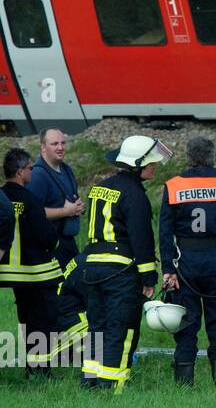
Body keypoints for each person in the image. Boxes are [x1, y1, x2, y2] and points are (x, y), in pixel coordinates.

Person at [82, 135, 170, 392]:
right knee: (122, 328)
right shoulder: (135, 195)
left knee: (97, 326)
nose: (155, 166)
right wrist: (148, 279)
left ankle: (91, 382)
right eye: (151, 163)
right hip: (120, 272)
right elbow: (141, 240)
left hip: (93, 268)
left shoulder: (100, 187)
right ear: (137, 164)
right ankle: (113, 385)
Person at [159, 137, 216, 386]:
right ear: (213, 155)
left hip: (186, 265)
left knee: (186, 324)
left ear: (189, 156)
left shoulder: (173, 186)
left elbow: (165, 232)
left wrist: (168, 268)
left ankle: (184, 384)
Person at [0, 148, 62, 376]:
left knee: (26, 319)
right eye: (29, 168)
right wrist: (55, 241)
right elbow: (46, 236)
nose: (32, 172)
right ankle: (39, 371)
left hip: (10, 274)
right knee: (43, 321)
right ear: (19, 172)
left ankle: (32, 366)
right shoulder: (30, 200)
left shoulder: (1, 197)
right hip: (35, 273)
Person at [28, 128, 83, 270]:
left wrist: (78, 206)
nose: (60, 147)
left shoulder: (66, 169)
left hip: (68, 242)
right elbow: (32, 213)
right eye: (54, 144)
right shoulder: (37, 176)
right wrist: (66, 211)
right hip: (50, 246)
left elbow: (70, 200)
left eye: (63, 143)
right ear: (43, 147)